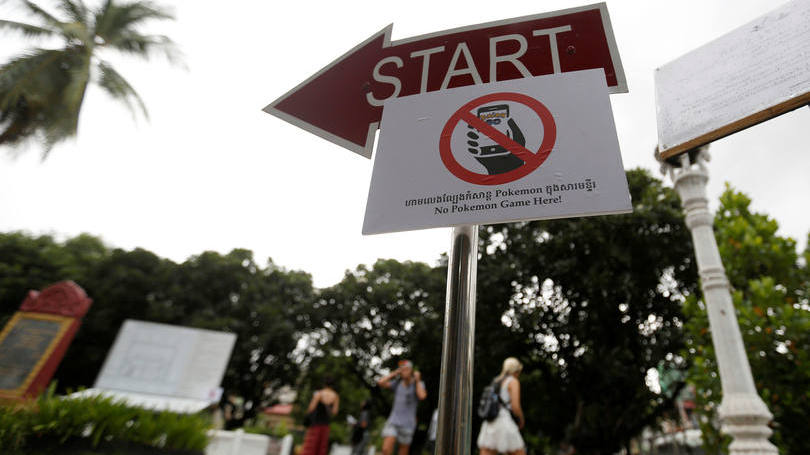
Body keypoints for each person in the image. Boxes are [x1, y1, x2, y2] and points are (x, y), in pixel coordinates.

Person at [477, 357, 526, 455]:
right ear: (516, 370)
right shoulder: (513, 381)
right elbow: (515, 406)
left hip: (490, 422)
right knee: (518, 452)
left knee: (486, 451)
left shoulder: (496, 380)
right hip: (504, 421)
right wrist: (521, 419)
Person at [377, 360, 427, 455]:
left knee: (403, 452)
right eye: (402, 369)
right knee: (385, 449)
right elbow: (381, 382)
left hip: (408, 424)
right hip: (393, 421)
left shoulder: (417, 384)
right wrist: (395, 373)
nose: (403, 371)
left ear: (411, 370)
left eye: (406, 369)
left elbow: (422, 396)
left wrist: (417, 381)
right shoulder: (397, 383)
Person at [300, 377, 340, 455]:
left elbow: (311, 408)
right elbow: (335, 412)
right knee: (321, 448)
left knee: (311, 447)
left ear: (324, 384)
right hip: (326, 425)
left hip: (315, 423)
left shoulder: (319, 393)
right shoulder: (335, 396)